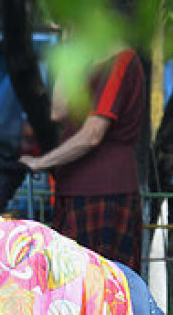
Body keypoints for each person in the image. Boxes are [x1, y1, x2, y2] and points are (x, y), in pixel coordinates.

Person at [20, 45, 149, 270]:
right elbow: (57, 112)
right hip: (74, 189)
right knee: (69, 285)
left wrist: (41, 162)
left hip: (105, 192)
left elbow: (92, 134)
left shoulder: (121, 60)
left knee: (105, 286)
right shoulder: (88, 63)